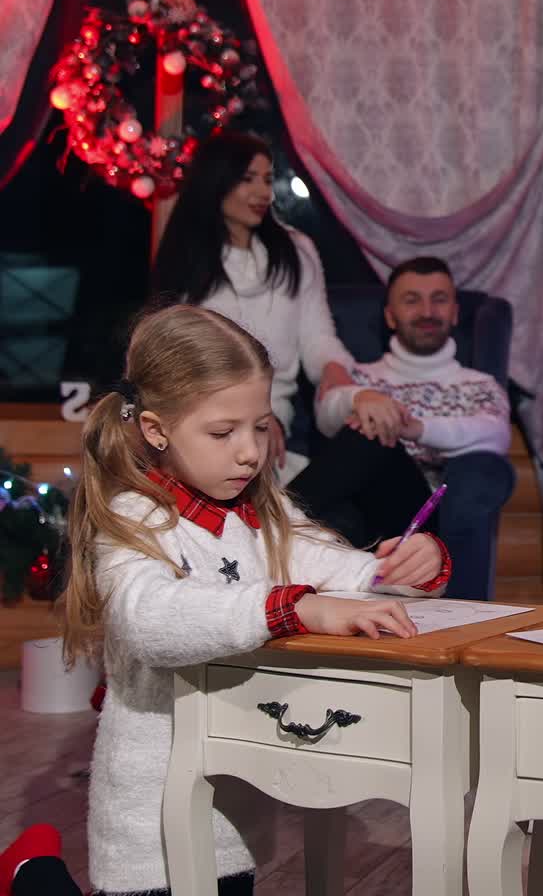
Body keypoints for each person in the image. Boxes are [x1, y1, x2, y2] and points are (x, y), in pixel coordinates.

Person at [61, 305, 449, 896]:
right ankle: (34, 870)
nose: (250, 453)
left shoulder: (264, 512)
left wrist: (401, 570)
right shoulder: (132, 518)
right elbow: (150, 620)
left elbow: (336, 570)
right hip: (150, 824)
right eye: (223, 433)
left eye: (261, 427)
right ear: (157, 430)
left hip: (233, 816)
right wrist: (289, 607)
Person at [290, 256, 514, 601]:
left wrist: (413, 427)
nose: (427, 311)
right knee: (350, 480)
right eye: (412, 300)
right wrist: (360, 397)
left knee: (374, 436)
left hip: (424, 522)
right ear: (390, 316)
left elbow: (494, 433)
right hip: (357, 513)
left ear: (454, 312)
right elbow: (327, 412)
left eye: (438, 299)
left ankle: (268, 523)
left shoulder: (478, 385)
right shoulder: (362, 377)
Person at [151, 132, 354, 486]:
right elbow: (173, 365)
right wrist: (248, 416)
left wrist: (334, 367)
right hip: (205, 426)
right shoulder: (186, 258)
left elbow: (317, 336)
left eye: (266, 179)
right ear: (217, 181)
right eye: (248, 179)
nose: (264, 193)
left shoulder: (297, 251)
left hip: (279, 436)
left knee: (369, 454)